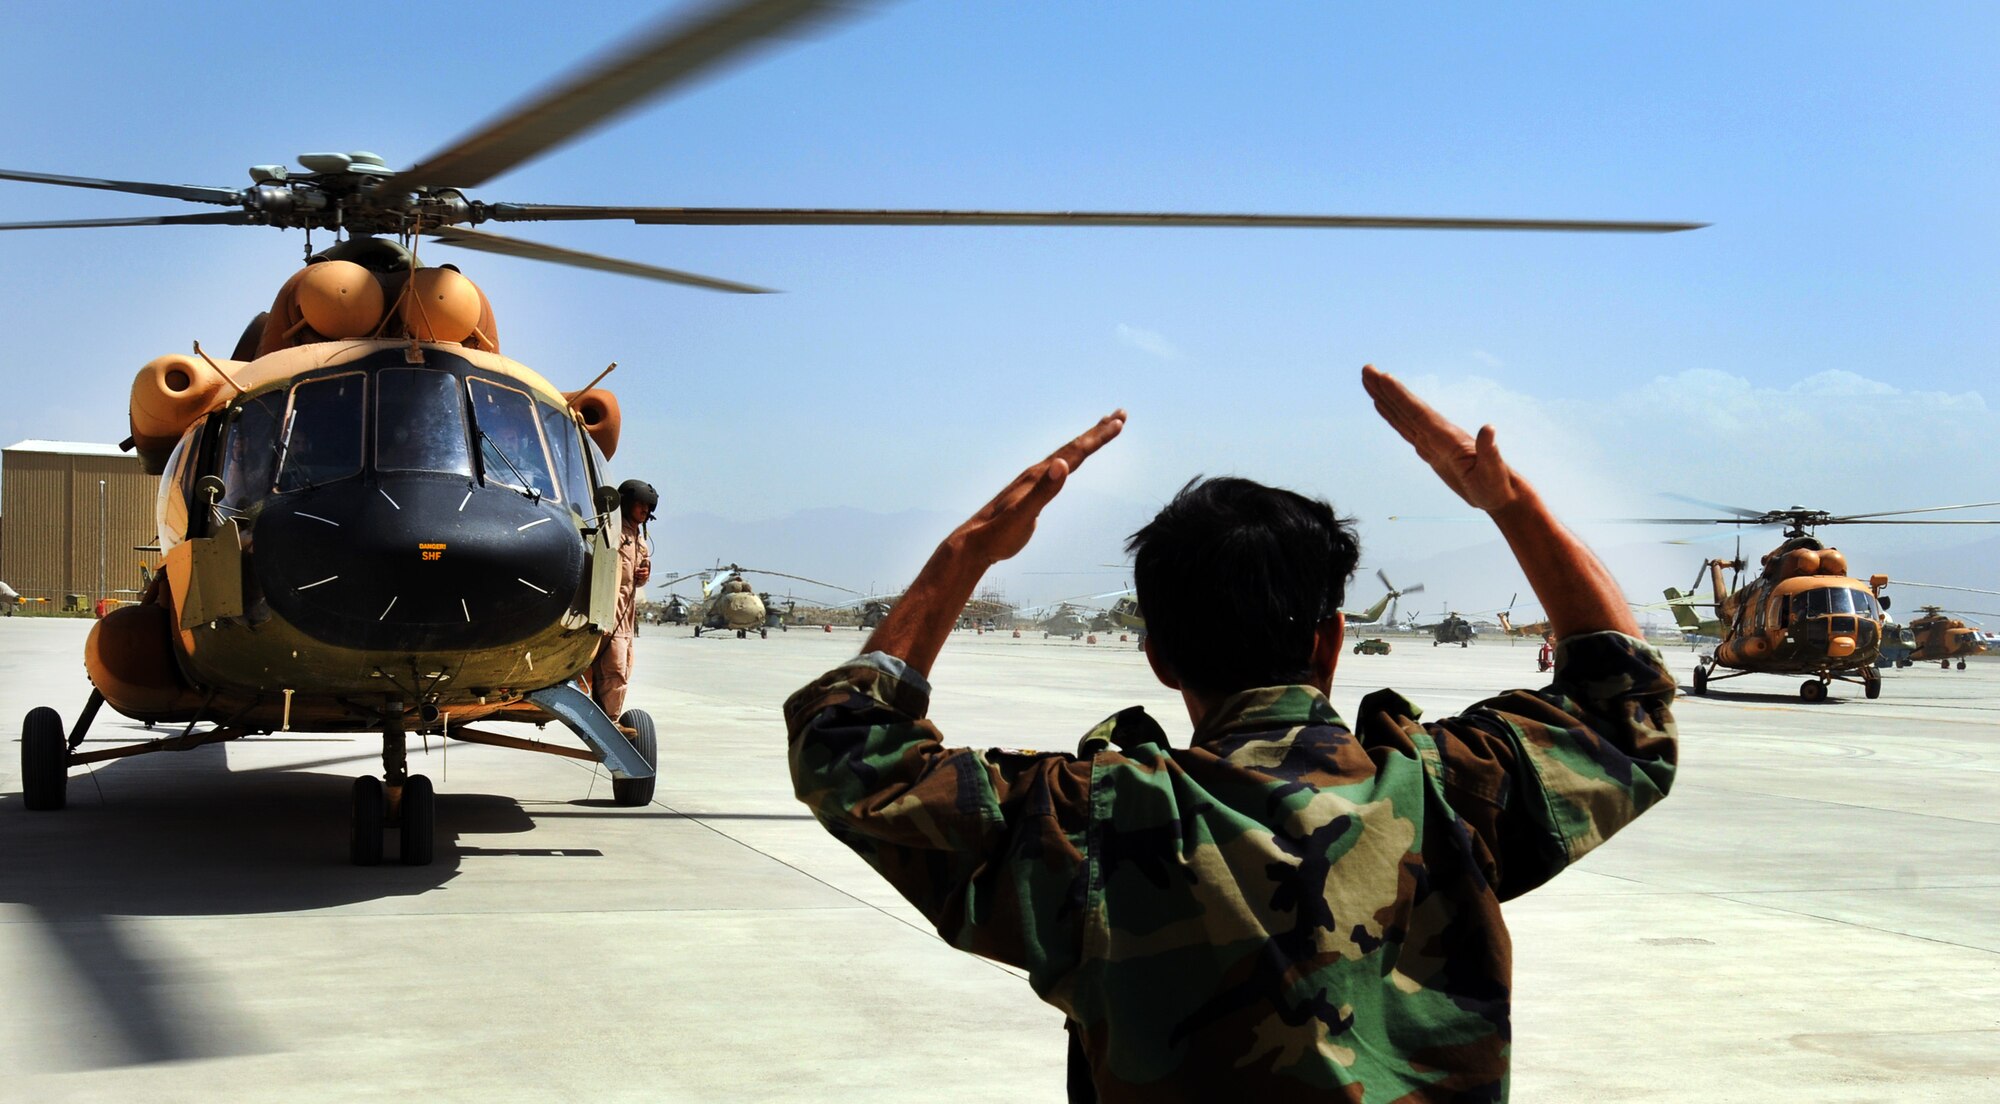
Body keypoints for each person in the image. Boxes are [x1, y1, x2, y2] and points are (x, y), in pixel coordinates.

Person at [784, 366, 1678, 1102]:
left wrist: (969, 552)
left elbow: (849, 751)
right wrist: (1511, 504)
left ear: (1158, 657)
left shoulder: (1091, 824)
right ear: (1331, 640)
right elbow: (1622, 702)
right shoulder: (1445, 791)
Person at [590, 479, 655, 719]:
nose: (645, 510)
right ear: (627, 504)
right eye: (640, 504)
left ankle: (610, 717)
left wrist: (644, 575)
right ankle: (609, 720)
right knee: (614, 667)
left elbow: (635, 578)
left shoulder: (640, 540)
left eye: (648, 506)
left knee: (625, 666)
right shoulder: (613, 532)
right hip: (611, 611)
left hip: (627, 614)